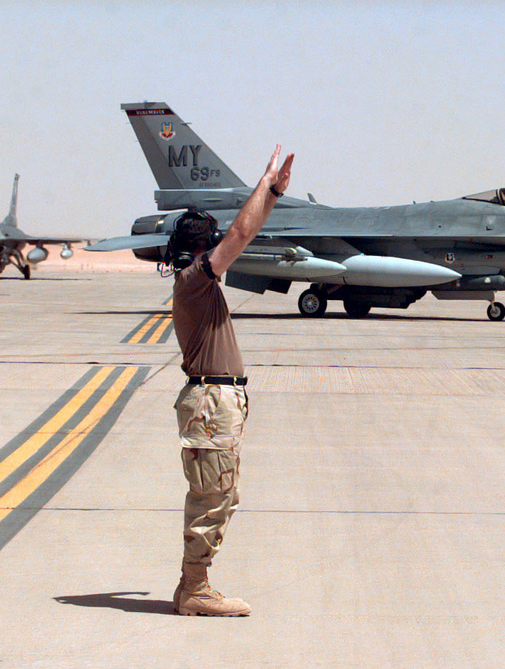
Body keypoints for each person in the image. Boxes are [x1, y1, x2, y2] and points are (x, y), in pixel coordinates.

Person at [169, 145, 294, 617]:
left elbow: (241, 233)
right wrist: (265, 186)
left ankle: (193, 586)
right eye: (211, 243)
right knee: (211, 497)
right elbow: (241, 233)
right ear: (200, 249)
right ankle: (195, 591)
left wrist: (275, 193)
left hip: (218, 401)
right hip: (209, 402)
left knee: (221, 494)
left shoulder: (195, 282)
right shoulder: (194, 280)